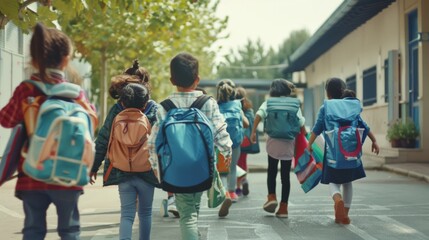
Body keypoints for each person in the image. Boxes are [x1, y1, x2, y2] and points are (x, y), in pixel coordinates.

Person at [0, 23, 97, 240]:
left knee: (33, 230)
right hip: (69, 173)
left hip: (33, 173)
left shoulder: (27, 89)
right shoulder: (77, 94)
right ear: (66, 59)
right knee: (70, 230)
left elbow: (6, 120)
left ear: (34, 59)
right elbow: (92, 122)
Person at [147, 52, 232, 240]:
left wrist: (156, 168)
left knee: (188, 216)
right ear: (197, 79)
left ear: (172, 79)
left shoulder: (164, 107)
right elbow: (220, 131)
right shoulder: (207, 103)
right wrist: (227, 152)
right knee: (192, 211)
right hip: (202, 167)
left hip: (175, 169)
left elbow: (152, 143)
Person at [307, 77, 380, 225]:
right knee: (347, 182)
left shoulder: (326, 107)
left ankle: (337, 199)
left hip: (333, 153)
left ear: (328, 93)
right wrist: (374, 141)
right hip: (351, 153)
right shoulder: (352, 105)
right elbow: (364, 125)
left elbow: (317, 128)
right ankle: (344, 215)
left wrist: (309, 144)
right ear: (342, 90)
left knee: (333, 181)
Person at [250, 79, 306, 218]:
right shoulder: (294, 104)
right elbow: (301, 124)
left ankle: (271, 197)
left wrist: (253, 132)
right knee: (285, 176)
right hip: (288, 142)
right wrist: (303, 137)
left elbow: (259, 115)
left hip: (273, 142)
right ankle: (283, 208)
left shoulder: (269, 102)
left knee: (272, 171)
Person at [216, 79, 249, 205]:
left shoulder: (215, 105)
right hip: (235, 142)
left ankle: (225, 194)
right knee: (233, 167)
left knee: (222, 170)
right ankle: (232, 192)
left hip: (220, 142)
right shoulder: (237, 105)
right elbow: (246, 123)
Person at [235, 87, 255, 196]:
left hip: (236, 139)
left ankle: (237, 187)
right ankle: (244, 180)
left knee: (235, 163)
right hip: (246, 140)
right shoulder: (249, 110)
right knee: (243, 162)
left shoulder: (233, 108)